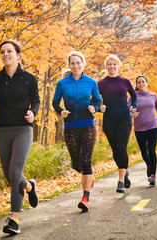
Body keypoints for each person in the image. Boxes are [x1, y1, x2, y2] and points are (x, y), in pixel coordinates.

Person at [0, 40, 40, 235]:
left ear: (18, 55)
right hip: (2, 130)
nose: (5, 54)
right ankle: (29, 187)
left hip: (23, 129)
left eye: (9, 51)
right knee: (9, 175)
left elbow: (36, 101)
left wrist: (33, 113)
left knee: (15, 173)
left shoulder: (29, 78)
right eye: (2, 52)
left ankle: (14, 220)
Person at [52, 51, 102, 212]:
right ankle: (89, 177)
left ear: (83, 64)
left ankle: (85, 197)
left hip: (87, 124)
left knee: (86, 161)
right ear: (69, 65)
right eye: (72, 63)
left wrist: (93, 108)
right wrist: (61, 111)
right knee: (76, 163)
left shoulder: (91, 82)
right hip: (70, 126)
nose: (75, 66)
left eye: (78, 63)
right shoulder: (62, 83)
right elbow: (55, 102)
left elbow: (98, 100)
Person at [98, 54, 137, 194]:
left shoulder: (125, 82)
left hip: (124, 119)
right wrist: (99, 107)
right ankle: (124, 171)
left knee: (121, 148)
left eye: (114, 64)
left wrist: (133, 106)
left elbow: (134, 95)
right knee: (115, 151)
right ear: (106, 66)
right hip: (109, 120)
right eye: (109, 64)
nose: (112, 67)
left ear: (119, 66)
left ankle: (120, 182)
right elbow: (94, 100)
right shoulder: (101, 84)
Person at [130, 75, 157, 186]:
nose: (141, 83)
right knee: (144, 152)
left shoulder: (153, 96)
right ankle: (149, 165)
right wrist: (131, 114)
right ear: (137, 85)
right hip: (139, 128)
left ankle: (152, 175)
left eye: (143, 81)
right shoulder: (133, 97)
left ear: (147, 83)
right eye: (139, 82)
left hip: (153, 126)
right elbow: (127, 111)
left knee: (151, 149)